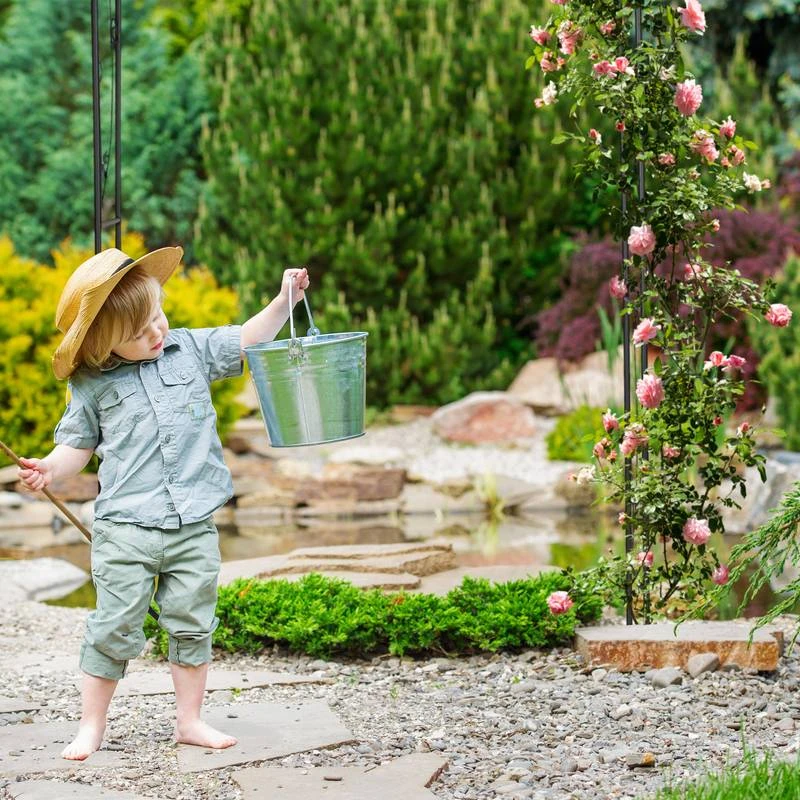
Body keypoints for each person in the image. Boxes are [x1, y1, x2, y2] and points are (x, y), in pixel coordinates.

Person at [17, 246, 309, 760]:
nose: (156, 332)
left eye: (157, 316)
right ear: (104, 344)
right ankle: (91, 726)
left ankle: (190, 721)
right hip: (125, 529)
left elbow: (246, 338)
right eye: (139, 332)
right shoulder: (90, 384)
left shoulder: (189, 349)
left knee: (193, 621)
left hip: (193, 522)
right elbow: (77, 448)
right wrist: (49, 470)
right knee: (114, 626)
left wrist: (284, 301)